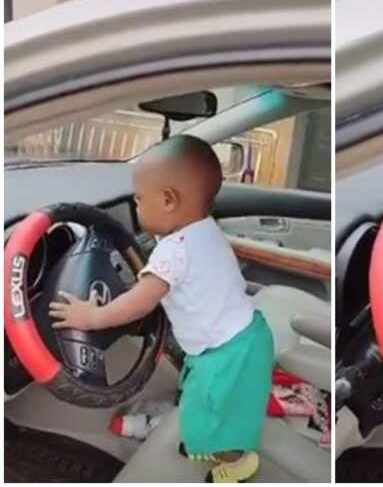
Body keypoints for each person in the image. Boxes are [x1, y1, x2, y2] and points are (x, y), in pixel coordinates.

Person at [49, 135, 274, 481]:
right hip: (246, 336)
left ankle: (237, 462)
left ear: (169, 200)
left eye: (139, 200)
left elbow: (140, 302)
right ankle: (217, 443)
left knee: (206, 416)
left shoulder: (173, 252)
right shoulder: (204, 230)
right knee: (225, 410)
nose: (135, 208)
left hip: (224, 354)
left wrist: (92, 317)